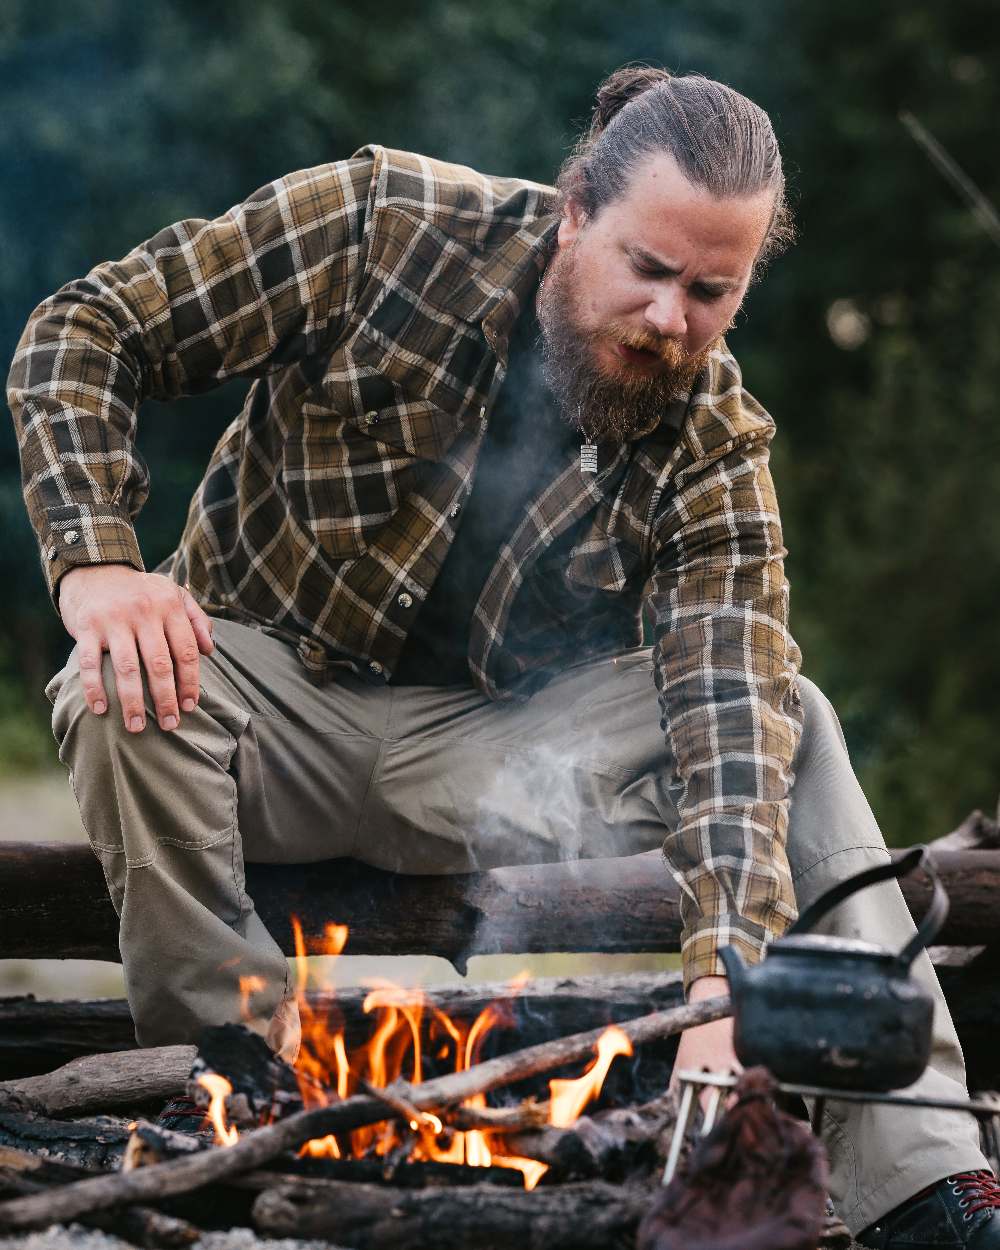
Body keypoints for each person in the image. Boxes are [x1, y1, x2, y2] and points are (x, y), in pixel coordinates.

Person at [8, 65, 999, 1246]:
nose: (670, 318)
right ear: (575, 209)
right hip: (266, 710)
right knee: (120, 682)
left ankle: (923, 1180)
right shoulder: (379, 225)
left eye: (711, 291)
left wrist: (720, 975)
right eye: (647, 268)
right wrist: (98, 563)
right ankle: (225, 1092)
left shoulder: (716, 440)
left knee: (793, 713)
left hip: (498, 765)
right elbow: (88, 327)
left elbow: (728, 707)